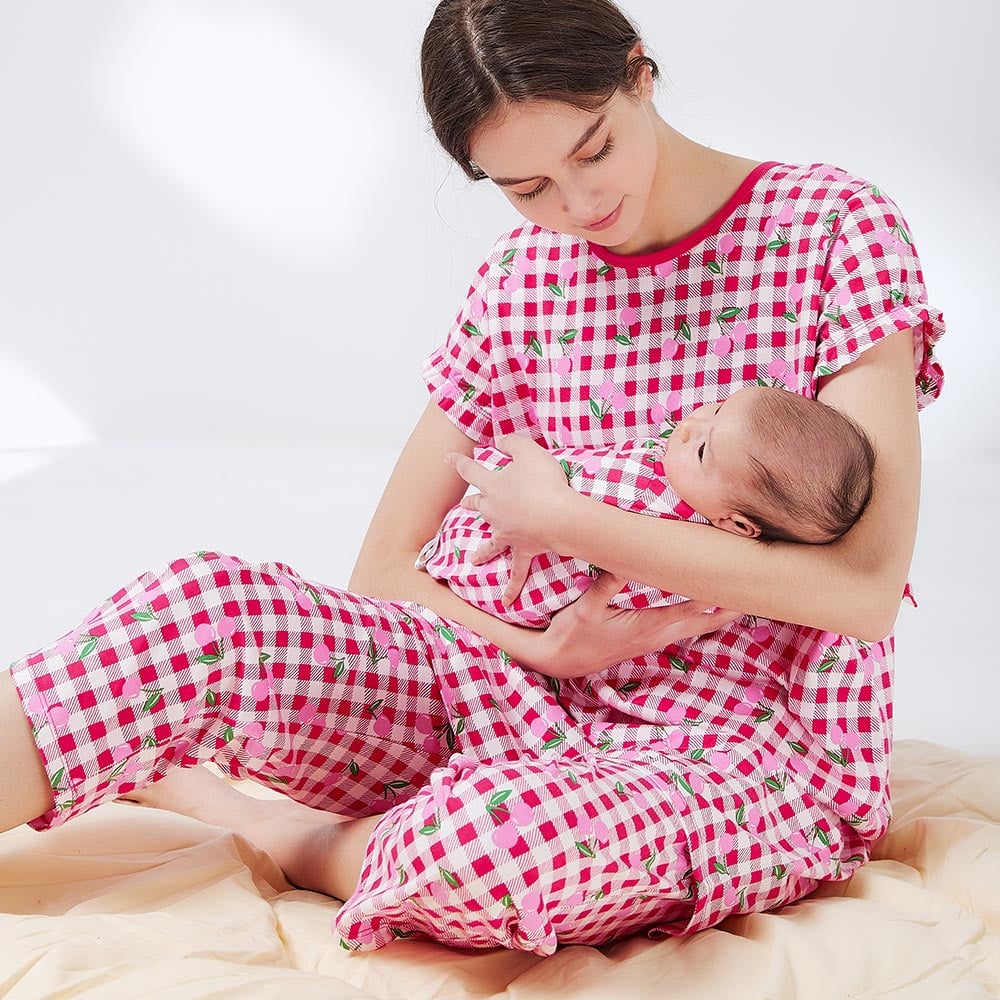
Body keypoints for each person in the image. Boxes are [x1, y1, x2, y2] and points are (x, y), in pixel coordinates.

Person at [0, 0, 945, 957]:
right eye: (526, 186)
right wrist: (541, 655)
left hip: (736, 755)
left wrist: (567, 521)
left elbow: (860, 592)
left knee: (491, 850)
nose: (577, 208)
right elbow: (386, 571)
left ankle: (274, 830)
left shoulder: (832, 230)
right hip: (501, 688)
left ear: (640, 74)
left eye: (594, 149)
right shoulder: (522, 281)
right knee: (197, 611)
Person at [418, 385, 877, 631]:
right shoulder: (683, 476)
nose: (690, 424)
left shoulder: (670, 538)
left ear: (735, 524)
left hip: (485, 573)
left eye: (702, 451)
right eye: (717, 409)